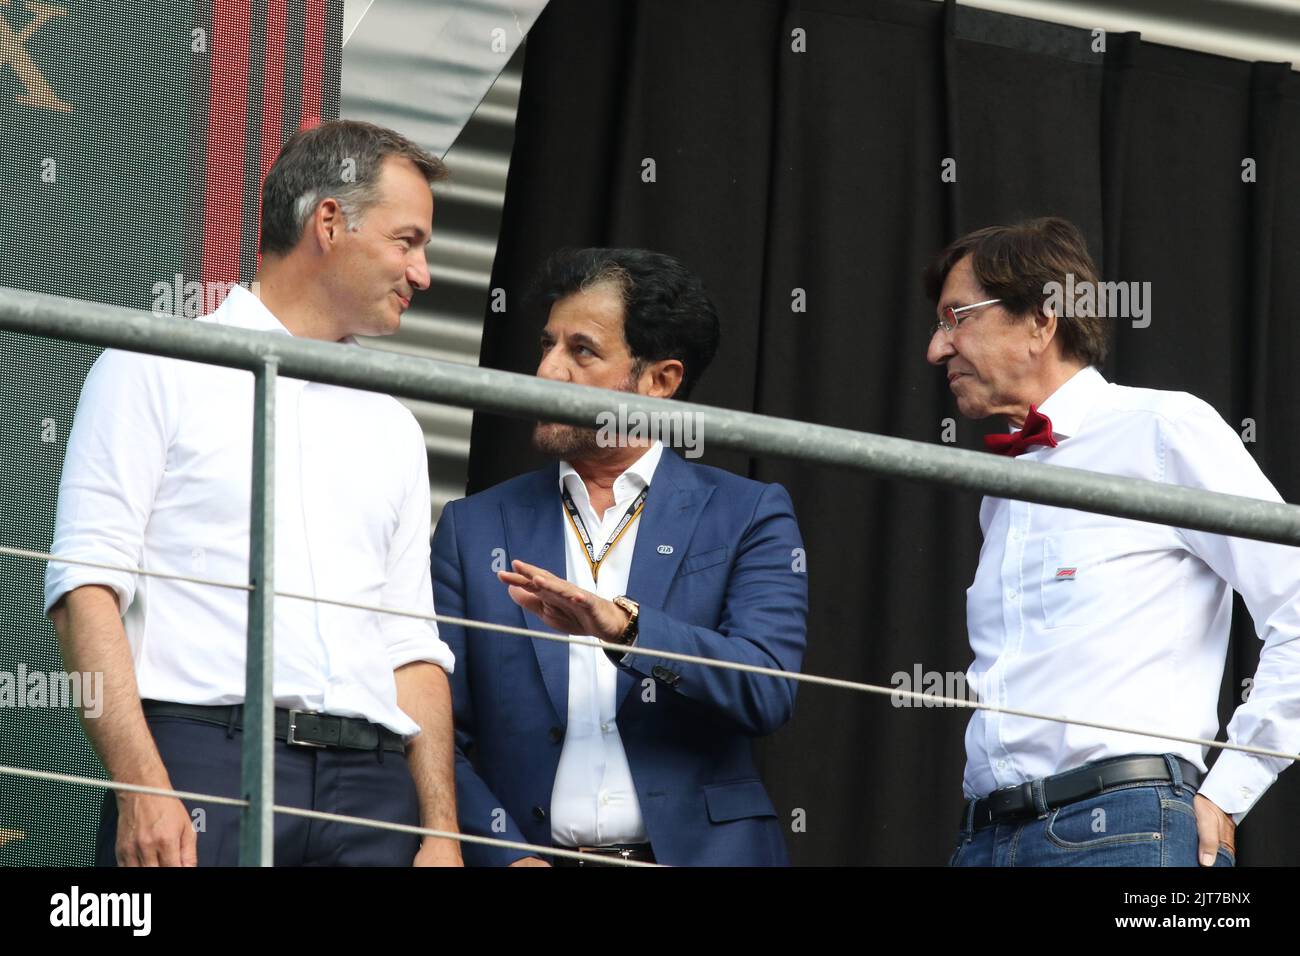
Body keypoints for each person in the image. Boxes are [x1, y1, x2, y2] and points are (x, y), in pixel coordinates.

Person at [45, 119, 462, 866]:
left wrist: (438, 834)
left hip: (375, 791)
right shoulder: (154, 365)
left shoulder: (397, 424)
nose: (424, 272)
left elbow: (411, 646)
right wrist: (143, 787)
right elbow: (85, 589)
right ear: (328, 223)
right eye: (408, 241)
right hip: (205, 764)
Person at [925, 216, 1300, 867]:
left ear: (1043, 319)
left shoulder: (1163, 429)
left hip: (1122, 831)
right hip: (985, 840)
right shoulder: (1002, 484)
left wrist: (1230, 792)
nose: (937, 348)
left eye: (957, 317)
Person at [433, 248, 808, 866]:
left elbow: (766, 689)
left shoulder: (746, 512)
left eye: (581, 351)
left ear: (659, 381)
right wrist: (502, 856)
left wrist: (632, 633)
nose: (548, 371)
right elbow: (438, 726)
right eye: (547, 345)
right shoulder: (473, 527)